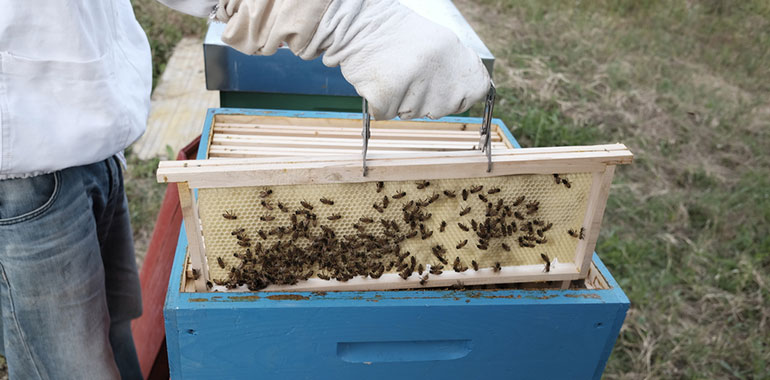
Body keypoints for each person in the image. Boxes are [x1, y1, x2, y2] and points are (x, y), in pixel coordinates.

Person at [0, 0, 489, 378]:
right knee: (69, 364)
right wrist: (342, 17)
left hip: (82, 140)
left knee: (110, 329)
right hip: (21, 164)